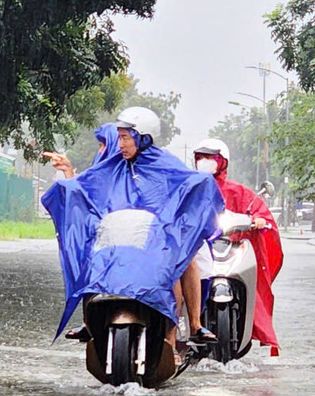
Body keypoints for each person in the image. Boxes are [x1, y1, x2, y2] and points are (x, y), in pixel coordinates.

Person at [43, 107, 224, 346]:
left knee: (185, 259)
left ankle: (192, 327)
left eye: (126, 137)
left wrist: (204, 185)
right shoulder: (113, 165)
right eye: (119, 137)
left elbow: (191, 182)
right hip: (123, 232)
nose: (121, 144)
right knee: (90, 251)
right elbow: (87, 187)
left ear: (143, 137)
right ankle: (89, 322)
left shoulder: (166, 164)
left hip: (158, 236)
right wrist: (67, 174)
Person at [191, 138, 284, 355]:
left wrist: (260, 220)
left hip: (228, 247)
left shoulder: (238, 191)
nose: (205, 162)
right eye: (201, 158)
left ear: (222, 161)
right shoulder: (191, 187)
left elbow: (258, 210)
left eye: (210, 158)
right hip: (198, 247)